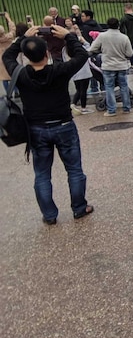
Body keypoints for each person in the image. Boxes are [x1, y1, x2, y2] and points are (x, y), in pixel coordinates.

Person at [3, 25, 93, 224]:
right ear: (46, 53)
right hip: (63, 124)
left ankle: (50, 215)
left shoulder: (21, 73)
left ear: (26, 56)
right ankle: (79, 207)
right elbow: (81, 55)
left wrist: (21, 40)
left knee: (42, 174)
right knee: (74, 169)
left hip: (36, 127)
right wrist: (68, 36)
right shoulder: (60, 70)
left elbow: (7, 56)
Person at [88, 17, 133, 116]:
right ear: (118, 25)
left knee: (109, 88)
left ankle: (111, 110)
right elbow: (129, 53)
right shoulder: (124, 37)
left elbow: (92, 48)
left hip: (108, 65)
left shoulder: (102, 36)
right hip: (121, 65)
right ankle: (126, 108)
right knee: (124, 87)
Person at [0, 12, 16, 95]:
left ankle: (8, 93)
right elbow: (13, 29)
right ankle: (17, 91)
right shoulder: (9, 37)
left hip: (1, 60)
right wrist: (8, 18)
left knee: (4, 77)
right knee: (13, 74)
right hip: (9, 57)